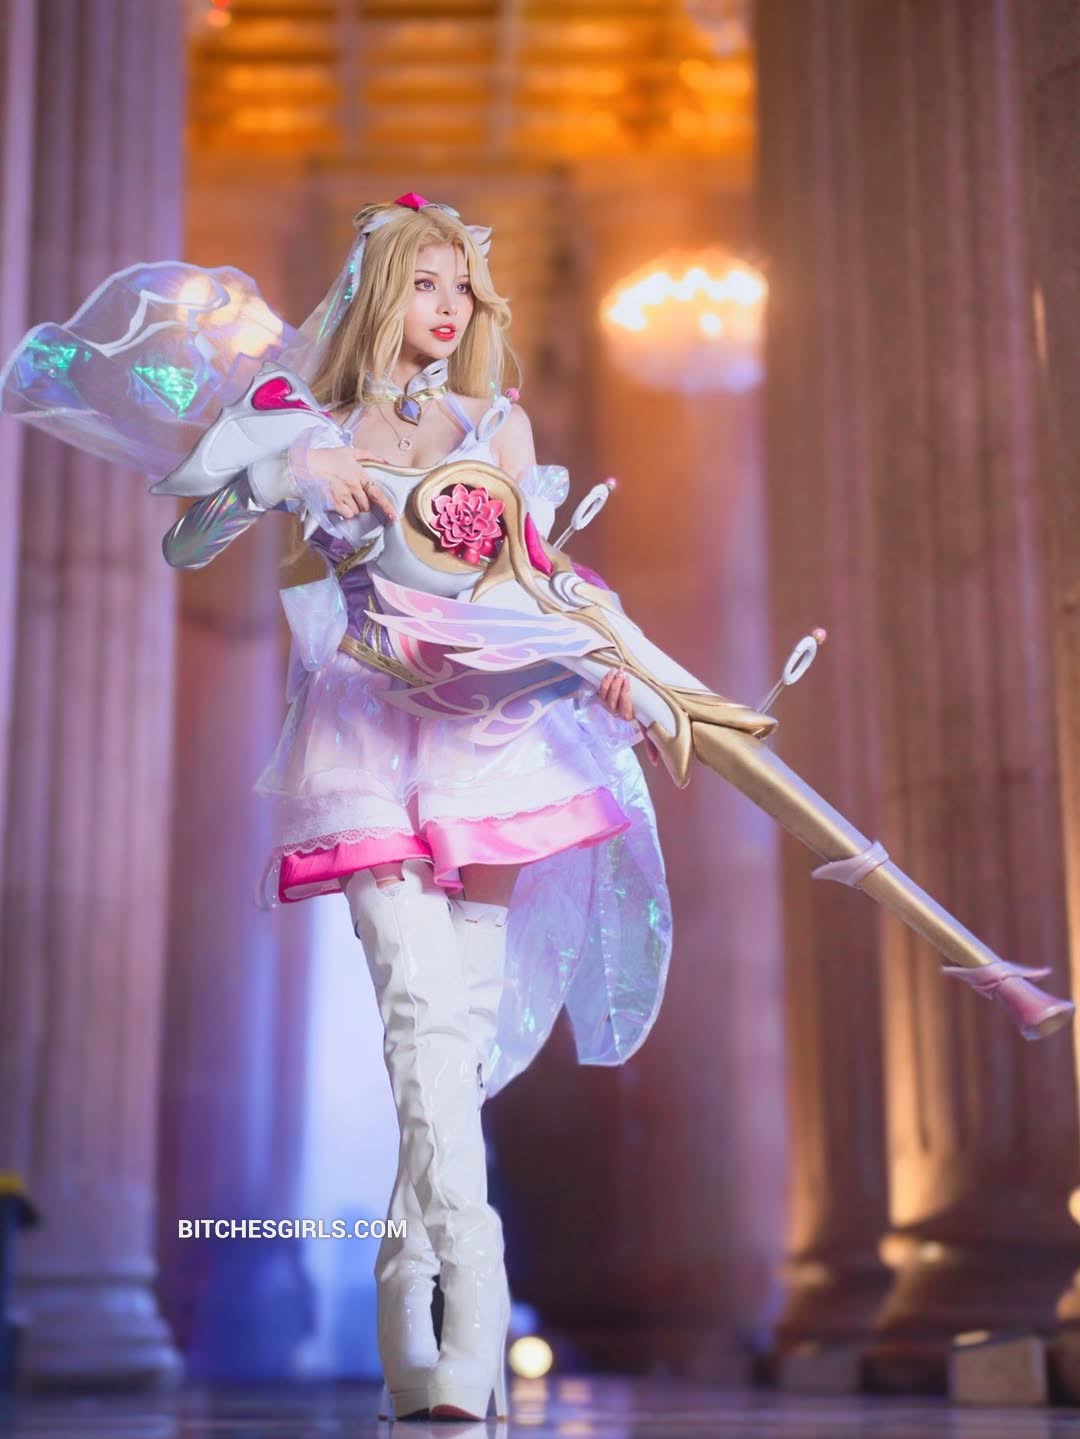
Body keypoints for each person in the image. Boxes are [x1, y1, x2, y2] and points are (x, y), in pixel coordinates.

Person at [0, 192, 674, 1421]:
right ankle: (469, 1323)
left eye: (462, 287)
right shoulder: (302, 415)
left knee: (453, 1049)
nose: (448, 307)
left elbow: (538, 578)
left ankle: (413, 1329)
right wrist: (287, 466)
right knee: (420, 1019)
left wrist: (617, 665)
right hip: (363, 728)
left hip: (496, 737)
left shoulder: (498, 425)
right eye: (425, 282)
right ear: (376, 292)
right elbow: (189, 541)